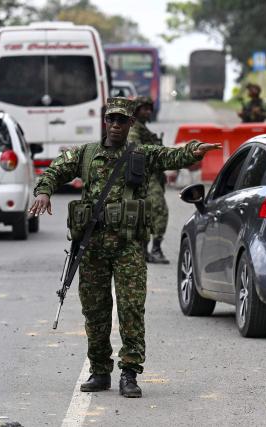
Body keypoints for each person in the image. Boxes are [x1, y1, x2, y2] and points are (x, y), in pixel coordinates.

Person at [29, 97, 220, 398]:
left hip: (128, 246)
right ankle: (100, 371)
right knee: (96, 311)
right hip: (91, 246)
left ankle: (129, 373)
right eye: (111, 119)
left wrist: (193, 150)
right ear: (104, 122)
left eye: (122, 120)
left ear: (131, 124)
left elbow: (170, 157)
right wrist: (43, 192)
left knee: (131, 309)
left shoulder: (140, 154)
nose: (115, 125)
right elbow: (54, 171)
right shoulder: (86, 154)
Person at [128, 96, 169, 264]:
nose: (148, 112)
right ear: (136, 111)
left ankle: (146, 250)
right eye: (144, 109)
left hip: (152, 175)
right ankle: (154, 249)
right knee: (159, 210)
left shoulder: (143, 129)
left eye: (149, 109)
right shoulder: (134, 130)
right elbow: (137, 151)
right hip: (145, 175)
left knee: (147, 212)